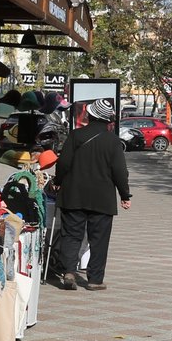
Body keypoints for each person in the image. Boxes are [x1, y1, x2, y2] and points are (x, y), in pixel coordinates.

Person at [51, 97, 131, 291]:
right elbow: (120, 171)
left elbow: (63, 163)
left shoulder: (75, 135)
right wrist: (124, 195)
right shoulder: (113, 141)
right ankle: (95, 280)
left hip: (73, 195)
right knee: (99, 240)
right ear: (108, 119)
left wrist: (57, 182)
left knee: (71, 235)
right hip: (102, 198)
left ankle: (69, 271)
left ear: (90, 115)